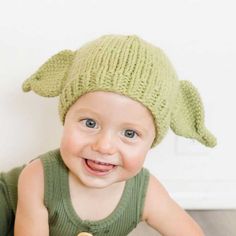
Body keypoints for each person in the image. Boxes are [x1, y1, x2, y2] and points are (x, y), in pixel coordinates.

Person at [0, 34, 217, 236]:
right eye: (90, 123)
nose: (104, 146)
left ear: (152, 141)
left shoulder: (145, 192)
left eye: (130, 133)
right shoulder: (37, 177)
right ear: (66, 118)